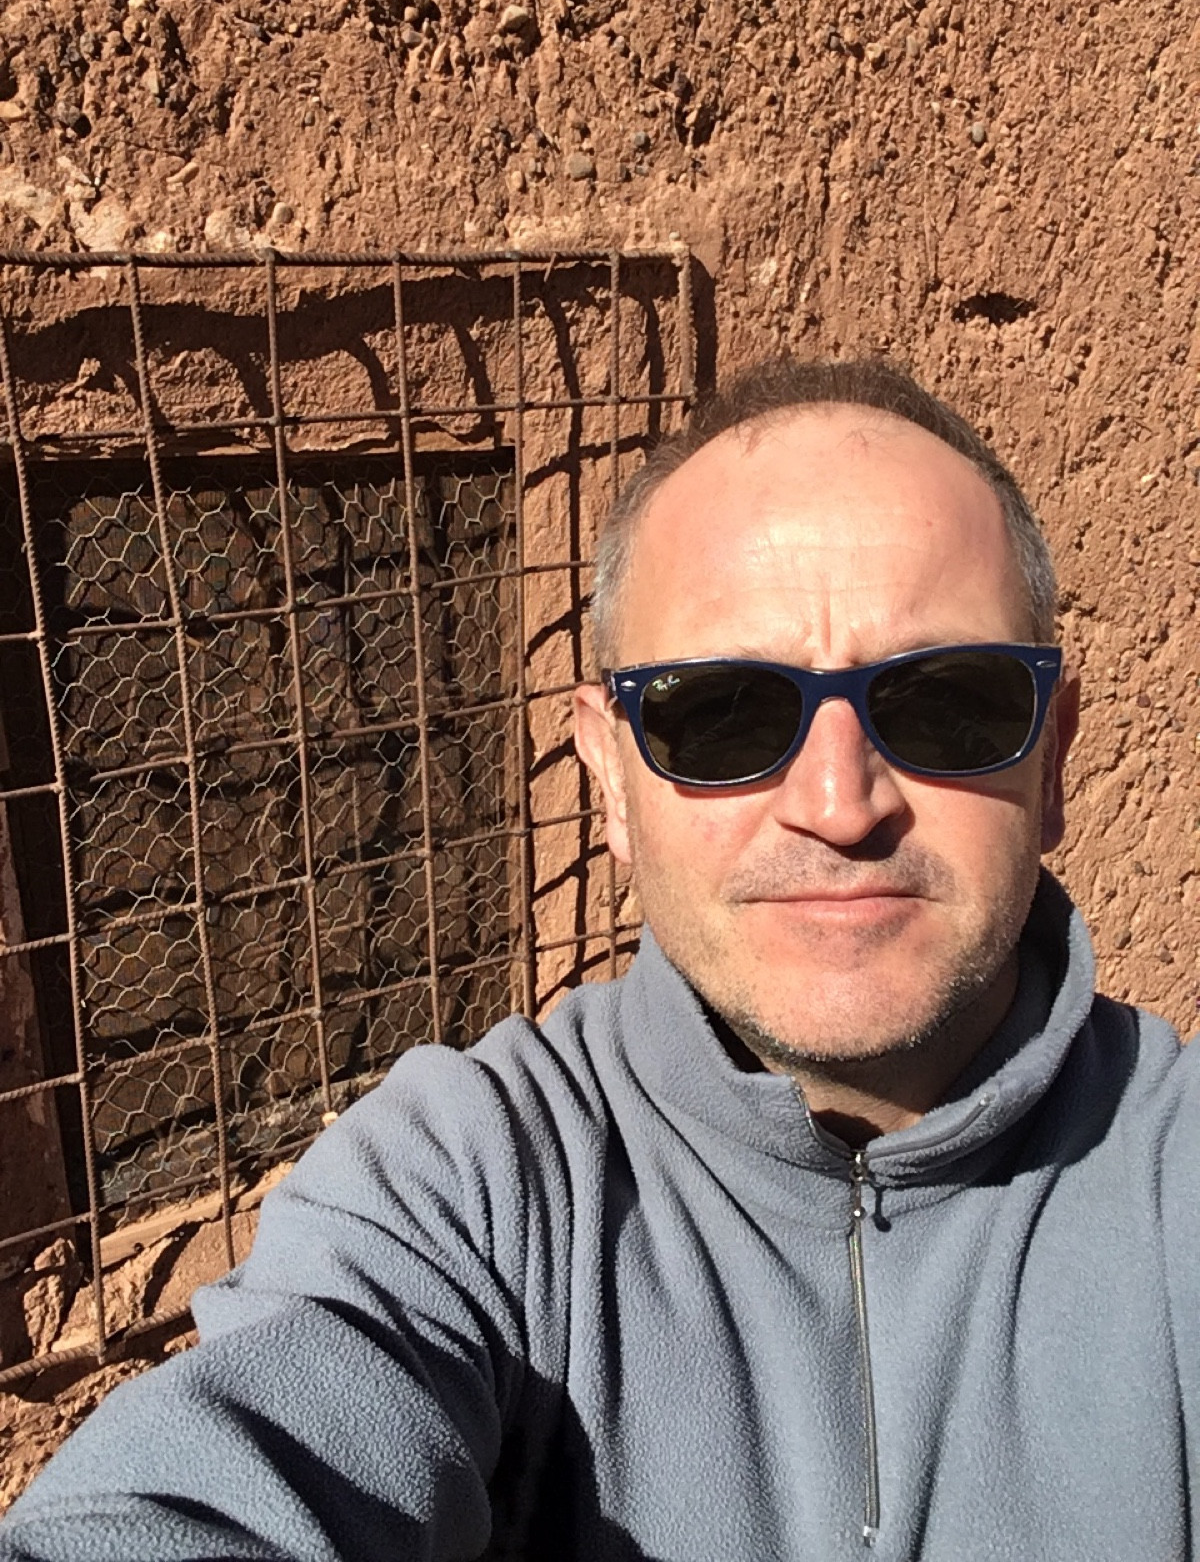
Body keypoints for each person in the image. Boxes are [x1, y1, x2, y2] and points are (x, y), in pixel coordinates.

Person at [1, 358, 1196, 1562]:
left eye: (947, 702)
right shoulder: (473, 1186)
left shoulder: (1174, 1174)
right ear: (611, 779)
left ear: (1053, 759)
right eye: (722, 714)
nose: (840, 804)